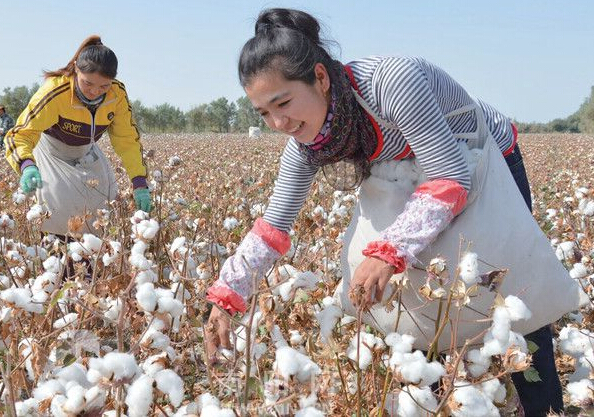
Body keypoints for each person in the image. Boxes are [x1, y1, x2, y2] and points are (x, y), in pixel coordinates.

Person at [204, 8, 567, 416]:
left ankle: (544, 407)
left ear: (320, 78)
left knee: (516, 294)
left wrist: (387, 252)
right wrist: (227, 296)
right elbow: (273, 228)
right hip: (416, 174)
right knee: (416, 306)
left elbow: (450, 177)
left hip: (482, 162)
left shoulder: (392, 82)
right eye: (263, 113)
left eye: (283, 102)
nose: (277, 121)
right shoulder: (307, 144)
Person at [4, 35, 151, 237]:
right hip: (52, 151)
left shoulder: (116, 95)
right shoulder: (56, 91)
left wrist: (139, 182)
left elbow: (127, 141)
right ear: (76, 69)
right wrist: (27, 165)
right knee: (56, 206)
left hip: (86, 149)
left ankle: (92, 257)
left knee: (102, 202)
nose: (95, 91)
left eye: (104, 86)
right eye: (87, 83)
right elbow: (20, 134)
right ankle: (58, 253)